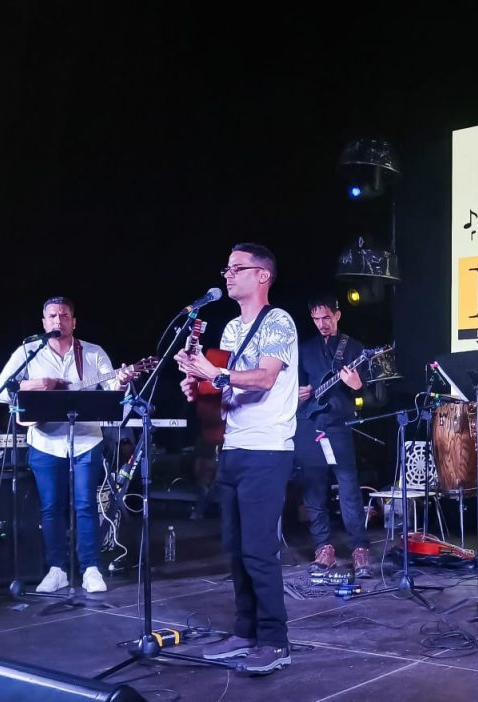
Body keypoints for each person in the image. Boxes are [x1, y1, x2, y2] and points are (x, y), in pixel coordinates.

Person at [175, 243, 298, 676]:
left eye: (236, 268)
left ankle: (275, 641)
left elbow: (263, 378)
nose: (227, 275)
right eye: (226, 268)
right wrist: (200, 387)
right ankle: (245, 632)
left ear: (262, 275)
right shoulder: (230, 328)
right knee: (236, 548)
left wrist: (214, 374)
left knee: (260, 550)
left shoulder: (278, 321)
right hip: (233, 446)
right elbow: (227, 390)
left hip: (267, 448)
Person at [0, 296, 135, 595]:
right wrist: (37, 384)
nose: (59, 320)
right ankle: (56, 569)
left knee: (85, 505)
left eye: (65, 315)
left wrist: (122, 381)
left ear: (74, 321)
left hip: (86, 440)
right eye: (53, 316)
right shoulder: (28, 351)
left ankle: (90, 568)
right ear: (44, 322)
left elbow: (114, 393)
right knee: (51, 508)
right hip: (45, 441)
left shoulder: (93, 353)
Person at [293, 294, 371, 577]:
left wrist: (356, 385)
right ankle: (323, 547)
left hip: (338, 425)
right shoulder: (305, 349)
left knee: (349, 489)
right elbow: (295, 387)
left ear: (337, 315)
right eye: (316, 319)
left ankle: (359, 548)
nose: (322, 323)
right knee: (313, 490)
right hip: (309, 423)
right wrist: (299, 393)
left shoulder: (354, 348)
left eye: (326, 317)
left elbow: (367, 393)